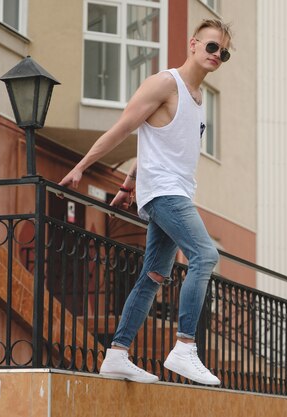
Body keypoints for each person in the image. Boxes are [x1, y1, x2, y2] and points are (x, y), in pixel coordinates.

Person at [59, 19, 232, 385]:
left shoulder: (198, 100)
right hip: (166, 194)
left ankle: (117, 354)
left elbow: (158, 144)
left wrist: (128, 183)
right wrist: (81, 166)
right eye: (213, 47)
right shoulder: (165, 84)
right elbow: (123, 127)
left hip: (172, 191)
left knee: (152, 276)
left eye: (224, 53)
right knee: (205, 255)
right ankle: (185, 346)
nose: (217, 55)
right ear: (194, 44)